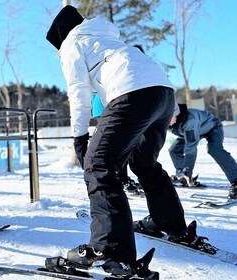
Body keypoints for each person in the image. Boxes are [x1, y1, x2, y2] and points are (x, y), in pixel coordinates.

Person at [46, 5, 213, 277]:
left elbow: (78, 94)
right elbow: (147, 76)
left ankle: (110, 251)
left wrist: (79, 137)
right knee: (145, 162)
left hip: (131, 93)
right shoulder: (107, 38)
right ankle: (171, 224)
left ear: (61, 37)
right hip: (163, 94)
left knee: (98, 165)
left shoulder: (72, 43)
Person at [169, 103, 237, 199]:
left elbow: (191, 146)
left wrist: (188, 169)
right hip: (192, 131)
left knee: (214, 150)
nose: (167, 121)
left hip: (212, 127)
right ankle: (182, 176)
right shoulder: (167, 121)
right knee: (174, 150)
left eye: (169, 117)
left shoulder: (190, 120)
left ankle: (236, 181)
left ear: (177, 114)